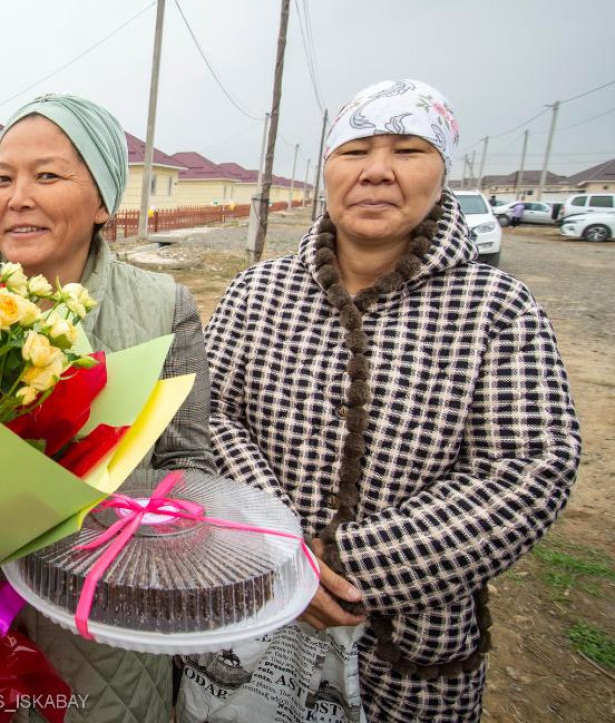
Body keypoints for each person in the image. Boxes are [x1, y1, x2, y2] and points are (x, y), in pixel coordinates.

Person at [195, 79, 580, 721]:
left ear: (442, 171)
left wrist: (347, 565)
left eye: (406, 150)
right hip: (255, 600)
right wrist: (283, 551)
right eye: (354, 152)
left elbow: (532, 469)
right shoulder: (258, 291)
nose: (377, 172)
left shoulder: (496, 308)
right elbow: (211, 414)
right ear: (327, 171)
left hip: (410, 646)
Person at [0, 95, 214, 722]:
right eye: (2, 177)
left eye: (48, 175)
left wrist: (113, 521)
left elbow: (189, 463)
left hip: (108, 634)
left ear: (103, 202)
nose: (17, 196)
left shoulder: (163, 307)